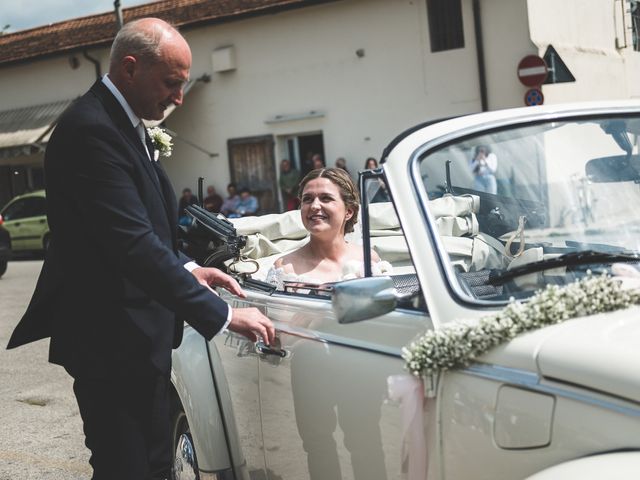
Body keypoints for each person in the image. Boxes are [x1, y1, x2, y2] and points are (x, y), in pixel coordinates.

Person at [6, 18, 274, 480]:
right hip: (107, 338)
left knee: (152, 461)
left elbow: (148, 224)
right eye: (172, 82)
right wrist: (223, 315)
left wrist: (188, 266)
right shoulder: (91, 130)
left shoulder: (123, 122)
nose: (178, 98)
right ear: (130, 68)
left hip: (135, 335)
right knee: (126, 467)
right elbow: (130, 244)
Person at [266, 167, 390, 289]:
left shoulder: (368, 259)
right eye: (307, 199)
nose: (314, 206)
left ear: (349, 212)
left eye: (326, 198)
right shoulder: (285, 269)